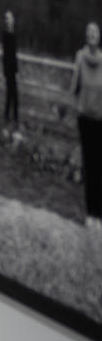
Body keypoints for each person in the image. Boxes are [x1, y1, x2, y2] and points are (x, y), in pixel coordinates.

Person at [70, 21, 102, 231]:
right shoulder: (80, 57)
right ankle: (90, 215)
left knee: (100, 167)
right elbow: (74, 86)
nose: (91, 34)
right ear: (86, 36)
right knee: (89, 166)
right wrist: (76, 107)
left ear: (99, 37)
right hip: (85, 119)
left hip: (100, 120)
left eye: (94, 31)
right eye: (88, 31)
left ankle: (99, 215)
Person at [2, 9, 21, 127]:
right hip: (9, 70)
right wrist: (6, 71)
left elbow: (14, 55)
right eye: (8, 18)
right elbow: (6, 55)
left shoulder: (14, 34)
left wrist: (17, 70)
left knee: (12, 94)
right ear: (6, 21)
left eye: (11, 18)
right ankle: (12, 116)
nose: (10, 20)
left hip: (13, 70)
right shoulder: (6, 35)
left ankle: (10, 115)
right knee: (12, 94)